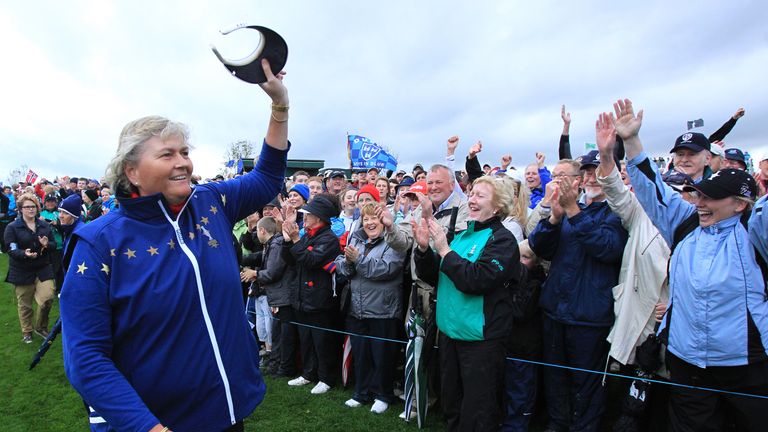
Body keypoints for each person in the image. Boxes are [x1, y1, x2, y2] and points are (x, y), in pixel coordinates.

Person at [59, 59, 289, 432]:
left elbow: (265, 178)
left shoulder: (210, 202)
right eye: (167, 154)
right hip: (157, 423)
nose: (183, 162)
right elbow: (85, 356)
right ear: (131, 171)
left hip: (227, 413)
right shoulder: (100, 241)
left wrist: (279, 106)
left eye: (184, 152)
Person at [616, 98, 768, 432]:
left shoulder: (754, 229)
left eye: (711, 197)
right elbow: (652, 187)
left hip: (745, 365)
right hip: (686, 363)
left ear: (740, 204)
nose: (700, 202)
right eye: (698, 194)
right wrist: (631, 141)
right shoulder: (684, 223)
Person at [528, 154, 628, 432]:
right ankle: (558, 425)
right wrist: (553, 220)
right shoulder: (570, 209)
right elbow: (539, 247)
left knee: (586, 386)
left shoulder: (619, 212)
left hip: (589, 317)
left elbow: (607, 248)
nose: (591, 177)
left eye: (598, 171)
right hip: (555, 311)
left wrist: (572, 211)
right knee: (555, 380)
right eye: (586, 172)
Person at [413, 175, 522, 431]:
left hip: (481, 341)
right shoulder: (462, 236)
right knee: (453, 406)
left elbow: (477, 280)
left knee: (478, 412)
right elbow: (435, 276)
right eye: (471, 194)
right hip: (451, 335)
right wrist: (422, 249)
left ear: (497, 207)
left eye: (480, 196)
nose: (471, 200)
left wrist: (443, 250)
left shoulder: (503, 241)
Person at [335, 203, 406, 414]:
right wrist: (348, 262)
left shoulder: (394, 242)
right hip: (357, 309)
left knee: (382, 357)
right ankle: (361, 393)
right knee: (361, 354)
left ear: (384, 220)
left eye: (374, 218)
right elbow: (341, 265)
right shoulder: (355, 237)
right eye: (366, 219)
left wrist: (358, 259)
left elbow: (385, 270)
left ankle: (383, 395)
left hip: (383, 311)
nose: (370, 223)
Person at [283, 194, 343, 395]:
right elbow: (291, 260)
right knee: (307, 339)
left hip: (319, 299)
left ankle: (326, 378)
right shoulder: (307, 235)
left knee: (322, 341)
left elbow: (310, 259)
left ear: (319, 217)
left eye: (307, 214)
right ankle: (309, 374)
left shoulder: (329, 239)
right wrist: (286, 241)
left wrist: (296, 240)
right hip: (302, 297)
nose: (304, 217)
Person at [503, 239, 546, 432]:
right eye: (518, 256)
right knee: (507, 386)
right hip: (508, 344)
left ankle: (517, 425)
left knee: (521, 390)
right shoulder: (510, 278)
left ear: (536, 262)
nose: (520, 261)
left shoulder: (536, 283)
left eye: (526, 257)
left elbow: (521, 311)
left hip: (525, 348)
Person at [4, 193, 57, 343]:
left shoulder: (44, 225)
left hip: (42, 268)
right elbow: (11, 249)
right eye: (27, 207)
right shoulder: (12, 227)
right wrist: (24, 254)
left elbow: (54, 245)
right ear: (21, 209)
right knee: (25, 305)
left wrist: (47, 244)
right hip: (22, 270)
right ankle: (27, 331)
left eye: (33, 206)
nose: (31, 209)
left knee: (47, 298)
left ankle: (41, 327)